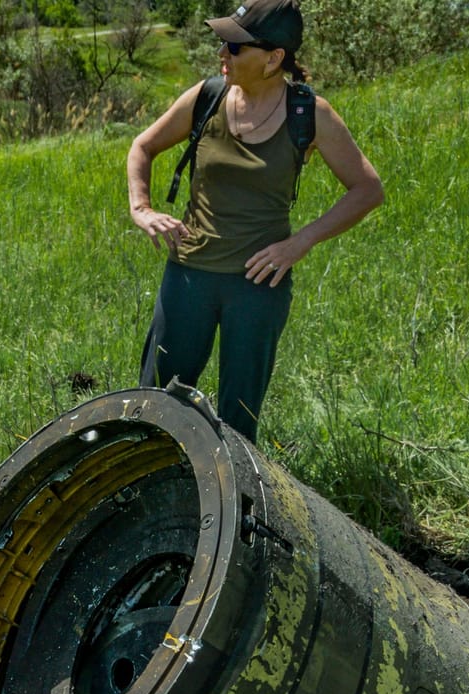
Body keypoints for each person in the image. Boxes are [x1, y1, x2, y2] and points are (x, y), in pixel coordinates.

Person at [126, 0, 384, 440]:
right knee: (157, 405)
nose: (222, 54)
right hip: (189, 274)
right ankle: (151, 490)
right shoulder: (206, 97)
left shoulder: (310, 114)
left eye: (234, 46)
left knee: (239, 420)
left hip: (258, 285)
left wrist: (298, 244)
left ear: (273, 58)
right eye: (223, 43)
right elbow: (142, 147)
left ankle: (236, 502)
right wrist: (142, 208)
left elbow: (368, 189)